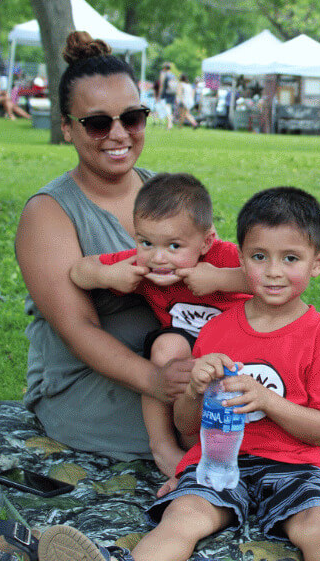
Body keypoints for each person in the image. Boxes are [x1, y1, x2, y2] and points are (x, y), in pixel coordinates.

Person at [16, 30, 320, 524]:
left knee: (266, 395)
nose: (119, 134)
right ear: (68, 128)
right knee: (248, 418)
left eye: (132, 117)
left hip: (188, 358)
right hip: (100, 384)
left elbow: (232, 272)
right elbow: (78, 330)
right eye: (98, 123)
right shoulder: (50, 213)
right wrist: (158, 379)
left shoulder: (162, 193)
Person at [69, 172, 249, 478]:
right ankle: (164, 446)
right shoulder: (141, 265)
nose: (158, 257)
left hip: (240, 350)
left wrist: (219, 278)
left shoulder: (224, 256)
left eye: (175, 246)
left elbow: (270, 277)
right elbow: (79, 271)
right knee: (166, 347)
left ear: (206, 241)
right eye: (146, 242)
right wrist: (108, 276)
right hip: (187, 357)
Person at [155, 62, 176, 129]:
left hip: (165, 94)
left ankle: (169, 124)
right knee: (169, 108)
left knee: (166, 109)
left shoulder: (163, 74)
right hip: (172, 93)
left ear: (164, 68)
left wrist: (158, 95)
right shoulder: (173, 75)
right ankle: (169, 123)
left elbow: (161, 86)